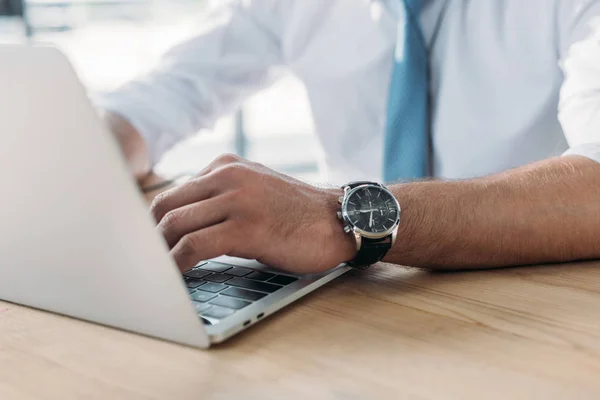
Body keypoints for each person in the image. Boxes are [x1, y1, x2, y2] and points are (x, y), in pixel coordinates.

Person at [95, 0, 600, 274]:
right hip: (354, 294)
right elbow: (161, 97)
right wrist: (87, 149)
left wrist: (336, 218)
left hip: (520, 298)